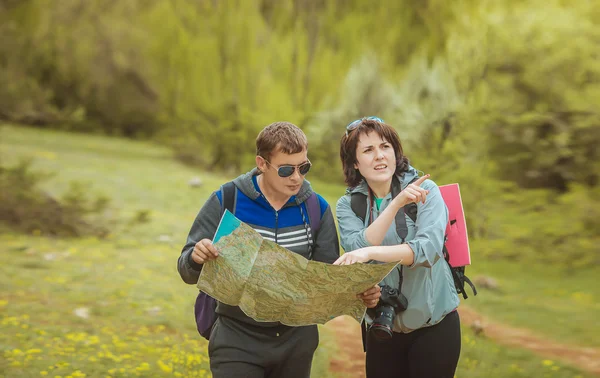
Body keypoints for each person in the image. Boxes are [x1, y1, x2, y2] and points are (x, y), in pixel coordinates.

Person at [177, 121, 381, 378]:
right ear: (262, 164)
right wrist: (196, 257)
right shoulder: (227, 199)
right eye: (286, 170)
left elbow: (327, 278)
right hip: (236, 339)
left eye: (303, 167)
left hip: (297, 341)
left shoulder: (317, 208)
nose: (297, 177)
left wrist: (359, 291)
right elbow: (185, 269)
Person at [334, 117, 461, 378]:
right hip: (383, 328)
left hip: (434, 326)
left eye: (385, 147)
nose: (379, 156)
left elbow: (427, 250)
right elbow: (357, 250)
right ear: (355, 163)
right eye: (368, 150)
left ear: (395, 152)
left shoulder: (425, 190)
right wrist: (394, 205)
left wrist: (370, 253)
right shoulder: (348, 206)